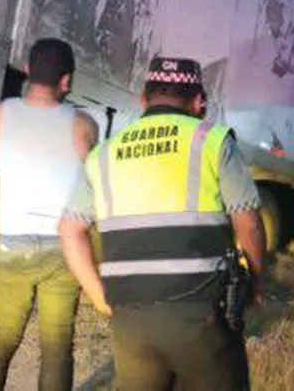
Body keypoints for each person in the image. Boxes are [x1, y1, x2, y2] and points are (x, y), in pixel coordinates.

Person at [60, 56, 267, 391]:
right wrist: (255, 283)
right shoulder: (210, 140)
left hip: (129, 318)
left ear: (143, 99)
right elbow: (249, 223)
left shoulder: (103, 154)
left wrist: (99, 295)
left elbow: (70, 230)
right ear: (199, 100)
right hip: (201, 315)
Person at [0, 38, 100, 391]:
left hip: (13, 243)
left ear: (27, 70)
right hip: (63, 247)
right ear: (67, 80)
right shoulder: (84, 125)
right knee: (57, 346)